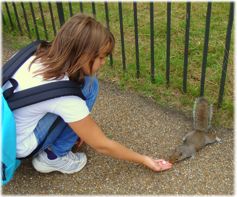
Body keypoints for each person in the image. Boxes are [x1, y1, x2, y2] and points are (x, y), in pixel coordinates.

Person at [4, 14, 172, 174]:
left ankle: (70, 132)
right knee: (90, 85)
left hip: (6, 123)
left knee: (83, 85)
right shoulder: (64, 96)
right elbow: (101, 145)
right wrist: (143, 159)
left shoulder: (34, 51)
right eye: (100, 57)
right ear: (82, 55)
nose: (103, 62)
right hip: (17, 144)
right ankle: (54, 157)